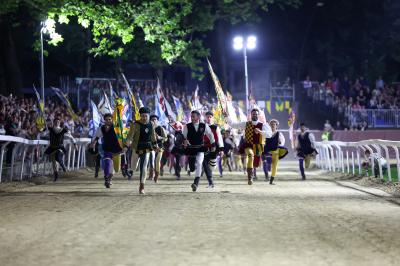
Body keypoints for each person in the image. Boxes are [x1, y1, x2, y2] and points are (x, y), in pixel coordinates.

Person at [232, 109, 272, 185]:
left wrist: (260, 131)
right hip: (248, 145)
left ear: (258, 115)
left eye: (256, 114)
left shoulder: (263, 125)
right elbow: (233, 124)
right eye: (253, 114)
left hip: (258, 147)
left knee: (256, 163)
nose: (254, 115)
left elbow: (269, 134)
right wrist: (227, 117)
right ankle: (250, 177)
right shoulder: (246, 124)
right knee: (250, 155)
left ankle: (254, 173)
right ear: (251, 115)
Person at [126, 107, 158, 194]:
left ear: (148, 116)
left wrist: (155, 145)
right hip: (136, 148)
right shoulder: (135, 124)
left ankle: (142, 186)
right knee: (134, 167)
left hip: (147, 148)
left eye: (146, 116)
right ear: (140, 116)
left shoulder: (151, 124)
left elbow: (153, 136)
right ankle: (131, 169)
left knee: (143, 168)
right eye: (142, 116)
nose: (144, 118)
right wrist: (127, 144)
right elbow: (130, 136)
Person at [183, 110, 215, 192]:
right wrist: (184, 141)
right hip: (191, 149)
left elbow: (210, 135)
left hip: (200, 148)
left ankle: (195, 183)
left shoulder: (204, 126)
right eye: (191, 116)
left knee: (200, 163)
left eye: (193, 116)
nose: (192, 118)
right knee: (192, 168)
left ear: (198, 117)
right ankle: (192, 169)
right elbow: (184, 137)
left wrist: (213, 144)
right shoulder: (187, 126)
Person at [91, 113, 123, 188]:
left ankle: (110, 177)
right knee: (107, 163)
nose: (108, 121)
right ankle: (106, 179)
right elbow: (97, 137)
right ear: (104, 120)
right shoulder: (101, 128)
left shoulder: (116, 127)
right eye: (106, 120)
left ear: (112, 120)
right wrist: (93, 143)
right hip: (107, 149)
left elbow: (122, 136)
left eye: (109, 119)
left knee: (116, 169)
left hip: (117, 150)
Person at [44, 117, 77, 182]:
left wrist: (75, 144)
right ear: (53, 123)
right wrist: (43, 129)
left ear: (59, 123)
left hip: (60, 147)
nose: (56, 123)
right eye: (55, 122)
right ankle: (56, 175)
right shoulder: (50, 129)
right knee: (54, 162)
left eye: (58, 122)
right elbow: (43, 134)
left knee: (57, 158)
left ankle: (63, 166)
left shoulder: (63, 130)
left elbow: (71, 137)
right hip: (52, 147)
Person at [202, 111, 224, 188]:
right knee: (204, 164)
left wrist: (221, 149)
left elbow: (220, 138)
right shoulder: (202, 127)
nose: (208, 118)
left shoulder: (216, 127)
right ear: (205, 118)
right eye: (207, 117)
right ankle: (211, 182)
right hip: (204, 149)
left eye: (210, 117)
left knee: (212, 167)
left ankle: (211, 182)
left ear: (212, 118)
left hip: (214, 149)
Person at [263, 119, 288, 184]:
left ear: (276, 126)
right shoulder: (267, 133)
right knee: (269, 161)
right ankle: (268, 165)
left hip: (276, 151)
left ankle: (271, 180)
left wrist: (280, 142)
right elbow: (263, 140)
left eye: (274, 124)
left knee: (275, 166)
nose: (272, 126)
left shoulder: (279, 134)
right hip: (268, 151)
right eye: (271, 124)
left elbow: (282, 142)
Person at [148, 115, 168, 183]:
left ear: (157, 120)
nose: (154, 121)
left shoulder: (161, 128)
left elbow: (165, 138)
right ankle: (151, 173)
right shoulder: (148, 129)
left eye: (155, 119)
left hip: (160, 147)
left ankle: (156, 175)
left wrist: (159, 137)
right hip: (151, 147)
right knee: (151, 161)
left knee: (157, 161)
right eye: (152, 119)